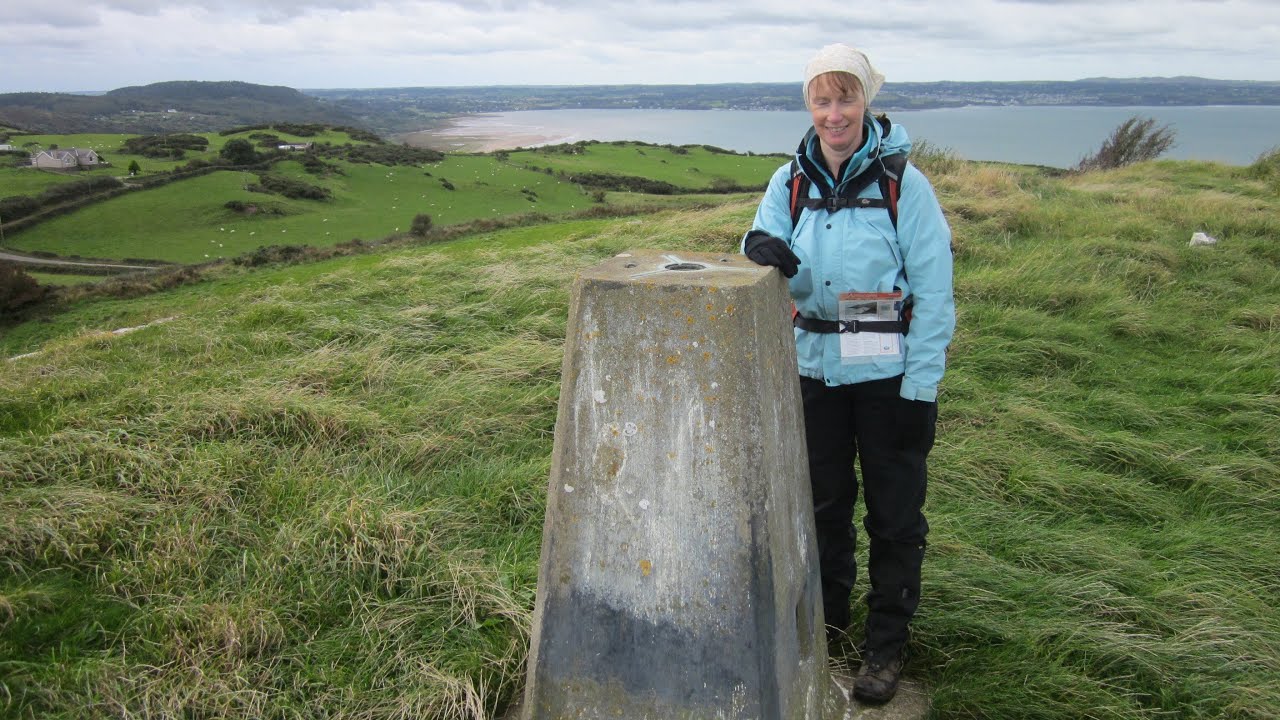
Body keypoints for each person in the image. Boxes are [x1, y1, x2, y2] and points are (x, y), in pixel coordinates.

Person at [741, 43, 955, 704]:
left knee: (895, 515)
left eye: (847, 98)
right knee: (824, 507)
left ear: (867, 101)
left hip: (886, 374)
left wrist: (920, 392)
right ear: (809, 105)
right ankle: (828, 631)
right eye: (822, 100)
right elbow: (761, 240)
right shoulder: (790, 181)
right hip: (813, 371)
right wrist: (755, 247)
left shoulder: (903, 185)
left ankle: (885, 647)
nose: (835, 114)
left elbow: (935, 295)